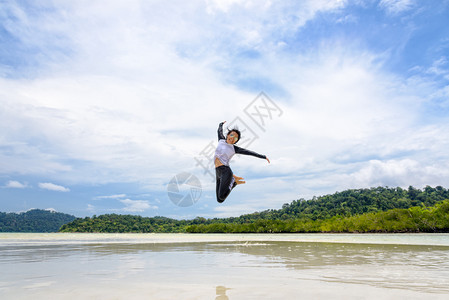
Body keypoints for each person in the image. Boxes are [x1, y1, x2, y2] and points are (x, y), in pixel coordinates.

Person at [214, 121, 270, 203]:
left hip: (225, 171)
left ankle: (233, 181)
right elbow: (219, 131)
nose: (232, 138)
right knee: (219, 200)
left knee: (222, 196)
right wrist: (221, 124)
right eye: (232, 135)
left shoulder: (234, 148)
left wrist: (263, 156)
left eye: (235, 138)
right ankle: (234, 184)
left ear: (236, 141)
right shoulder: (221, 140)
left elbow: (249, 152)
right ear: (228, 135)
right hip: (217, 171)